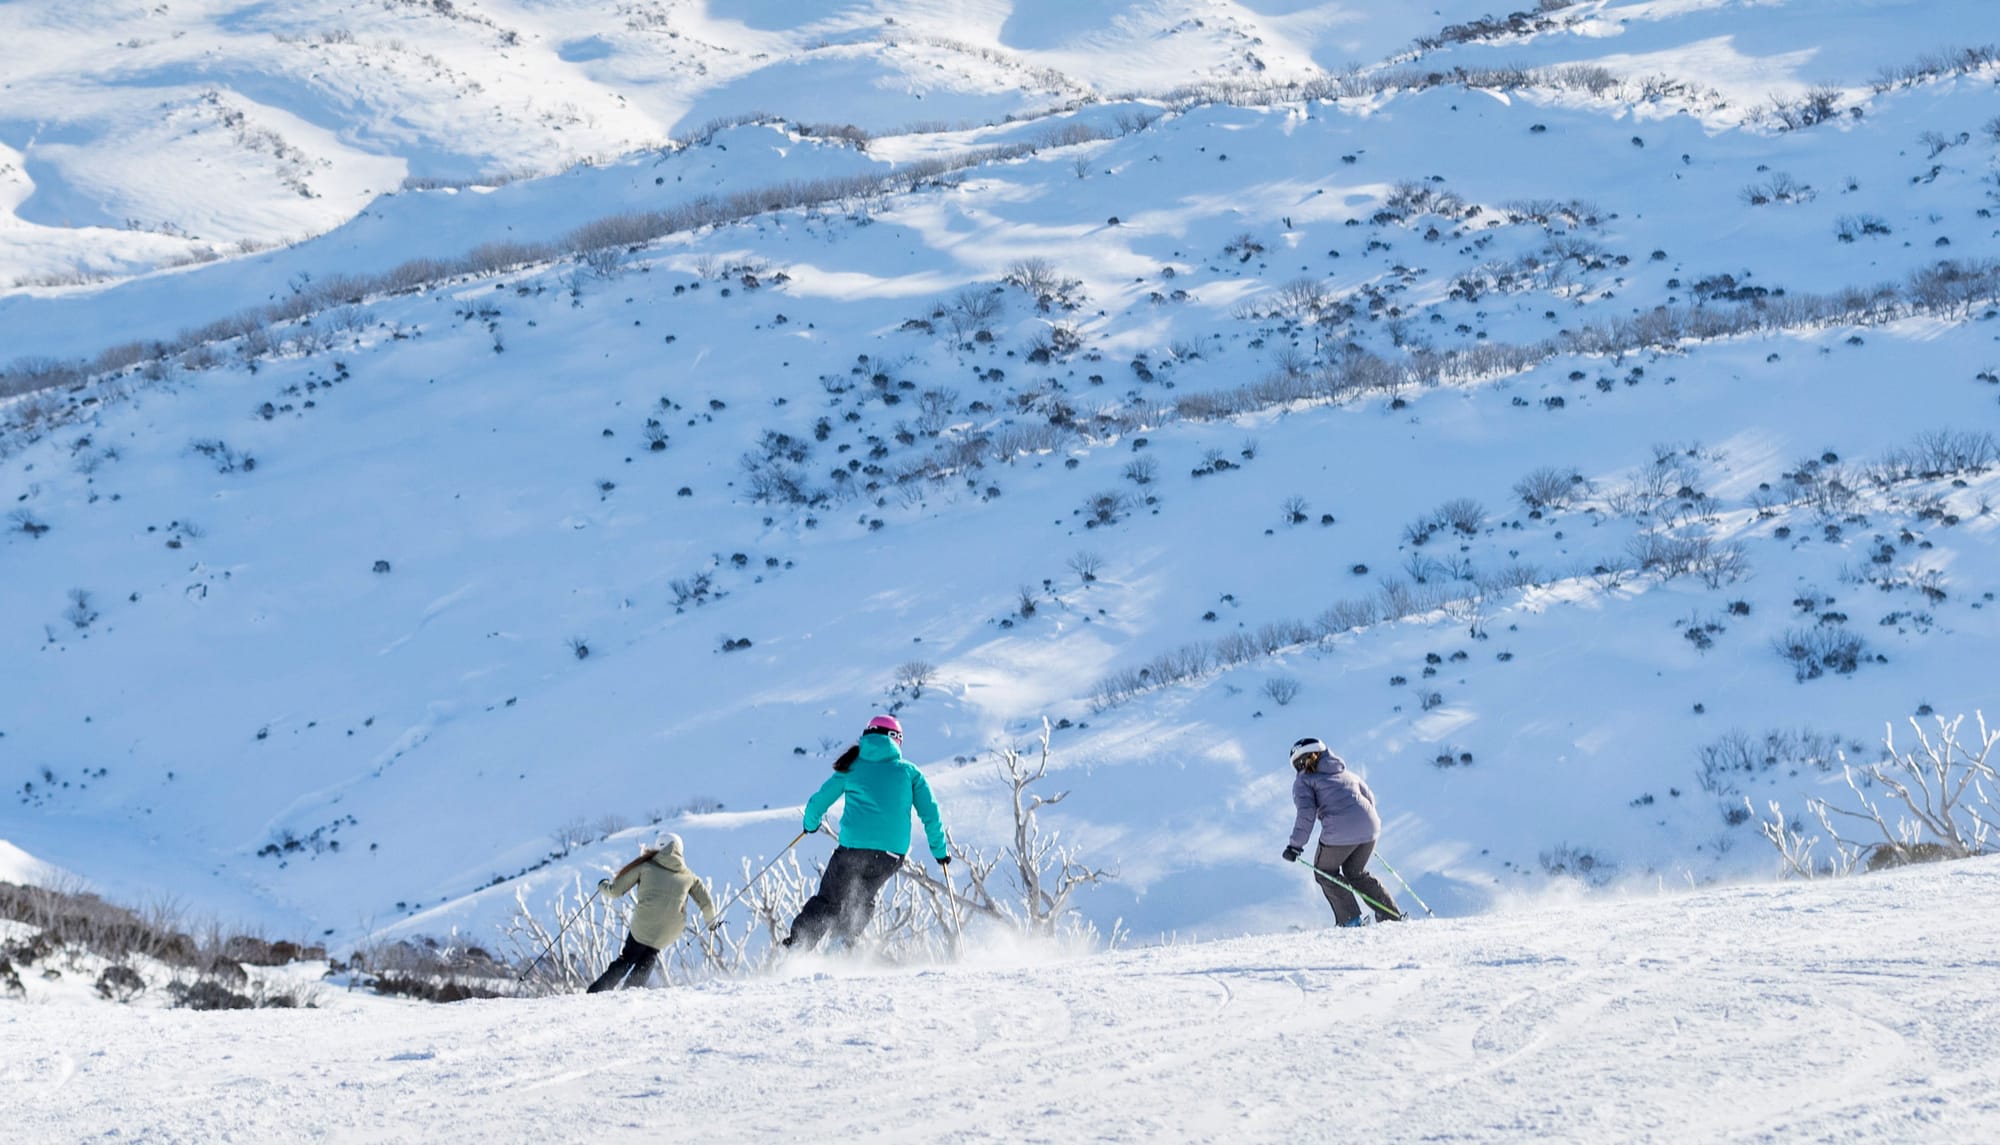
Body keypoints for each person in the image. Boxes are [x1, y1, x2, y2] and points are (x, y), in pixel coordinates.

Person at [783, 714, 949, 951]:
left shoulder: (851, 768)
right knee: (862, 898)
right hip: (891, 854)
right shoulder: (909, 772)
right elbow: (931, 814)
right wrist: (940, 852)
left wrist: (810, 825)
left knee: (830, 898)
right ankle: (841, 943)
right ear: (896, 740)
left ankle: (799, 945)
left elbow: (818, 802)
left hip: (852, 850)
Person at [1281, 737, 1402, 926]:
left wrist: (1295, 845)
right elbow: (1369, 798)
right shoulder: (1345, 773)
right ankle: (1391, 916)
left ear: (1300, 761)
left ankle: (1350, 921)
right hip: (1370, 827)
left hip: (1340, 832)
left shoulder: (1304, 781)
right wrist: (1360, 829)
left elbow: (1306, 814)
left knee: (1324, 872)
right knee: (1356, 873)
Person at [587, 833, 717, 992]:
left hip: (644, 924)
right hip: (669, 931)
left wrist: (603, 885)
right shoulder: (689, 876)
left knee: (628, 958)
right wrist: (711, 923)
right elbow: (707, 903)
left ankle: (596, 991)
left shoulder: (646, 867)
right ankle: (629, 993)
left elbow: (615, 891)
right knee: (649, 955)